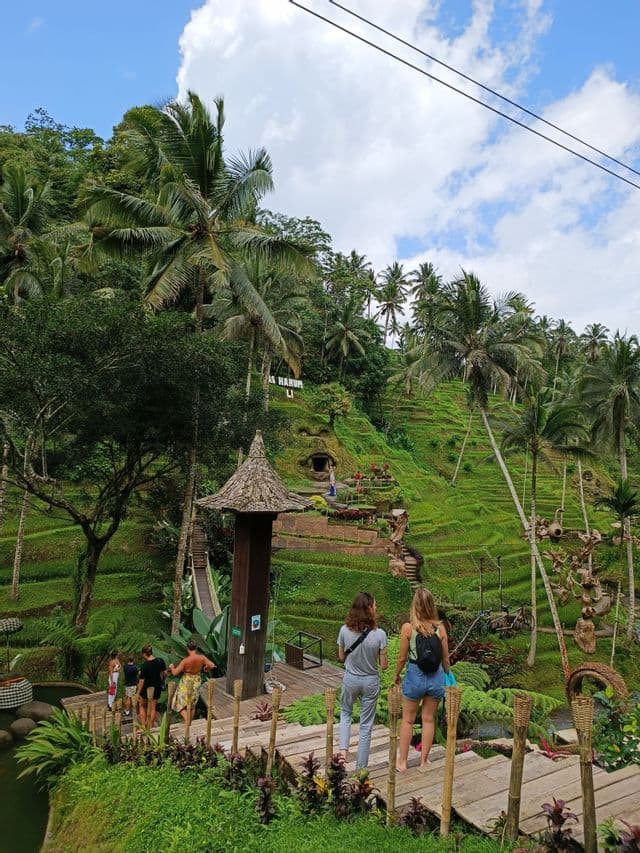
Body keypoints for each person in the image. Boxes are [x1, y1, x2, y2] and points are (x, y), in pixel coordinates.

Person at [393, 587, 450, 772]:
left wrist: (396, 674)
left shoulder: (408, 628)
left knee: (408, 720)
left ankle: (402, 762)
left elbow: (402, 658)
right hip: (436, 677)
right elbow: (446, 659)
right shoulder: (440, 629)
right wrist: (448, 674)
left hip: (415, 677)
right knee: (428, 719)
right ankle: (424, 761)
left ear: (415, 605)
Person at [337, 592, 388, 770]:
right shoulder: (380, 635)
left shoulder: (344, 630)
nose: (376, 608)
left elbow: (341, 657)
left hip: (350, 678)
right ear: (369, 609)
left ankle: (342, 755)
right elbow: (384, 665)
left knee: (346, 714)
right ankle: (361, 768)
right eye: (375, 605)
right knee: (366, 725)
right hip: (370, 681)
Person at [169, 640, 216, 724]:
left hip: (187, 681)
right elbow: (212, 665)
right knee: (192, 703)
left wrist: (172, 667)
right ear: (196, 648)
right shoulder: (201, 658)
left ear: (188, 648)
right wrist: (206, 668)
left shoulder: (186, 661)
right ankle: (189, 723)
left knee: (178, 702)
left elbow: (175, 673)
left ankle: (187, 721)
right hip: (196, 680)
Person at [136, 645, 166, 728]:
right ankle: (150, 726)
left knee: (142, 705)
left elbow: (141, 681)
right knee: (153, 708)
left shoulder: (144, 666)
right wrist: (162, 680)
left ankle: (143, 725)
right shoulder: (160, 661)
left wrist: (138, 692)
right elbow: (165, 673)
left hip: (146, 688)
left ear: (144, 654)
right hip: (156, 687)